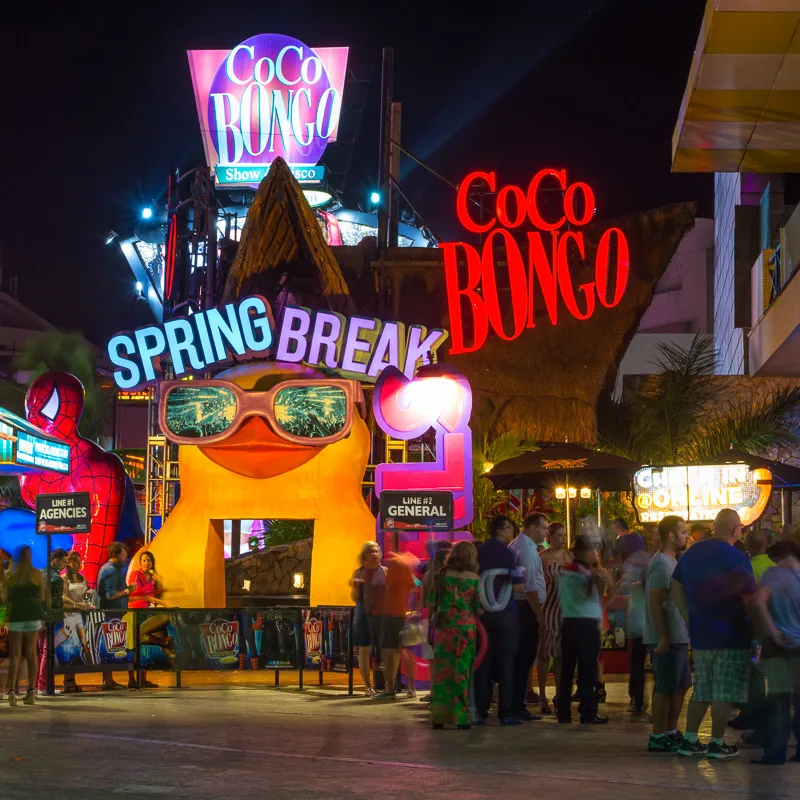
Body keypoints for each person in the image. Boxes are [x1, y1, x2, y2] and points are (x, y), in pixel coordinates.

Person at [672, 508, 757, 759]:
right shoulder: (738, 558)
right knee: (724, 690)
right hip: (732, 633)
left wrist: (687, 615)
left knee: (703, 688)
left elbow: (675, 583)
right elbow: (750, 597)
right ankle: (717, 742)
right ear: (735, 530)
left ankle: (689, 739)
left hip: (701, 633)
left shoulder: (693, 551)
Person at [748, 541, 800, 765]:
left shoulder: (774, 575)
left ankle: (775, 752)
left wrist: (772, 631)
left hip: (780, 647)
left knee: (779, 700)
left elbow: (758, 602)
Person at [644, 515, 690, 752]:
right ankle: (659, 734)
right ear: (671, 536)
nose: (687, 536)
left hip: (678, 635)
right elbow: (655, 601)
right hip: (668, 636)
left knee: (678, 686)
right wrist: (663, 635)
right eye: (683, 532)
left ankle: (670, 731)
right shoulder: (661, 564)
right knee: (665, 686)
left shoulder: (673, 562)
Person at [556, 535, 611, 725]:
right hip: (585, 624)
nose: (594, 553)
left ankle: (563, 711)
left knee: (568, 669)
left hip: (569, 622)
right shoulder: (584, 573)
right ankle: (587, 712)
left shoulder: (566, 571)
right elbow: (590, 595)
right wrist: (600, 576)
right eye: (592, 550)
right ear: (581, 552)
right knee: (587, 670)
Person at [427, 541, 481, 729]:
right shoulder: (474, 578)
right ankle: (460, 717)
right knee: (462, 673)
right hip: (466, 632)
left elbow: (431, 603)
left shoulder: (440, 576)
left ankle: (439, 717)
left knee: (442, 673)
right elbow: (479, 608)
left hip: (444, 630)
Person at [475, 516, 522, 725]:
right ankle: (506, 712)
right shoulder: (507, 554)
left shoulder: (479, 552)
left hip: (483, 616)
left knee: (483, 663)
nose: (512, 532)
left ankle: (480, 710)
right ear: (501, 529)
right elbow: (518, 585)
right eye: (511, 528)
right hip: (506, 614)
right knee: (507, 664)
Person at [508, 513, 547, 721]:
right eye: (543, 528)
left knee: (523, 659)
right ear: (532, 527)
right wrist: (539, 615)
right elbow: (530, 585)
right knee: (523, 658)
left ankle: (516, 703)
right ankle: (516, 705)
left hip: (524, 606)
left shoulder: (524, 546)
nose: (545, 532)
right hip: (526, 608)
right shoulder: (525, 549)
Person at [536, 521, 573, 714]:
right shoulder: (542, 557)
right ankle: (542, 695)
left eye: (564, 535)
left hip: (565, 610)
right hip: (548, 608)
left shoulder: (569, 556)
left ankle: (560, 694)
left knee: (560, 655)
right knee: (544, 655)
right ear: (549, 537)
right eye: (559, 535)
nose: (562, 538)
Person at [1, 546, 44, 706]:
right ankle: (31, 692)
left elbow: (5, 599)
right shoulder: (37, 574)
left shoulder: (11, 576)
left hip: (16, 617)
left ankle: (11, 692)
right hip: (33, 617)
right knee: (32, 653)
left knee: (15, 655)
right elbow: (42, 597)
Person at [128, 550, 171, 687]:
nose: (147, 563)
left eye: (149, 560)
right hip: (135, 611)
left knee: (143, 643)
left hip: (147, 611)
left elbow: (157, 594)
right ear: (140, 562)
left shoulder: (152, 577)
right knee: (134, 644)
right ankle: (132, 679)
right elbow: (135, 594)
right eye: (144, 560)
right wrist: (163, 604)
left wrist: (156, 578)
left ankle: (143, 679)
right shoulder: (136, 575)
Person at [618, 531, 649, 714]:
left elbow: (627, 585)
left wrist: (628, 585)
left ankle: (636, 700)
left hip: (638, 616)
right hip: (649, 617)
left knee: (636, 662)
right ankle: (644, 700)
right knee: (649, 662)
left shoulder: (631, 562)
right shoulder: (651, 559)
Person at [377, 552, 415, 699]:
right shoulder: (406, 565)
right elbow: (415, 585)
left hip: (390, 614)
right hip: (402, 613)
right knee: (403, 650)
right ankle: (411, 688)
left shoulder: (394, 564)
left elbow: (387, 587)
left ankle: (389, 687)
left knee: (388, 651)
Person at [350, 541, 386, 697]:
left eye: (377, 550)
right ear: (365, 554)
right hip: (363, 612)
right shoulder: (358, 572)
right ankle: (367, 686)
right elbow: (354, 598)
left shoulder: (385, 571)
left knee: (386, 649)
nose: (375, 553)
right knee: (364, 650)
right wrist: (354, 586)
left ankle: (388, 686)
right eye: (371, 551)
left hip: (382, 613)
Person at [96, 542, 131, 690]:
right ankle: (108, 681)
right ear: (114, 555)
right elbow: (110, 595)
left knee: (110, 646)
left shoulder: (112, 568)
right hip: (111, 614)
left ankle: (108, 680)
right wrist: (127, 591)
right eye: (123, 554)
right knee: (109, 646)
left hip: (112, 614)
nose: (126, 557)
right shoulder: (111, 570)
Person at [60, 551, 94, 693]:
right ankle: (68, 680)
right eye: (76, 562)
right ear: (69, 562)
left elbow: (85, 595)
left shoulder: (82, 578)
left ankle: (80, 675)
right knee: (72, 646)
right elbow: (63, 597)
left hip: (82, 615)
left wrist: (89, 593)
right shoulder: (64, 578)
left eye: (80, 562)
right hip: (70, 614)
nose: (79, 565)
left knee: (84, 645)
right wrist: (77, 604)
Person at [36, 548, 69, 697]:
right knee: (47, 652)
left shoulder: (41, 573)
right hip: (49, 617)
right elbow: (56, 601)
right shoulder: (55, 577)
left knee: (41, 652)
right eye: (63, 561)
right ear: (55, 561)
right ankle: (44, 685)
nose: (65, 565)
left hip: (39, 617)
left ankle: (39, 684)